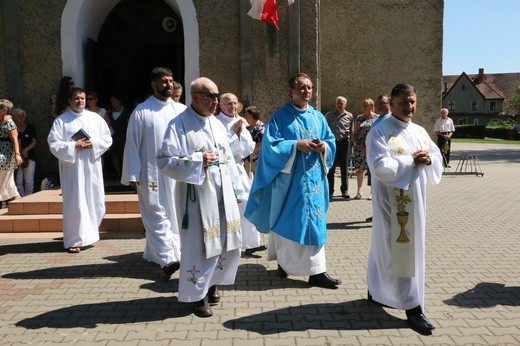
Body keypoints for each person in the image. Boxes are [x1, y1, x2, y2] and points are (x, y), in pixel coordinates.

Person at [244, 73, 341, 289]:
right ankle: (285, 264)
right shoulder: (280, 117)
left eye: (309, 87)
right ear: (291, 91)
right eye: (301, 87)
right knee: (288, 220)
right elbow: (271, 147)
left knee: (314, 222)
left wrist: (323, 147)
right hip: (290, 181)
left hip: (314, 179)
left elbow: (330, 141)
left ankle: (317, 271)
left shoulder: (319, 118)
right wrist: (295, 145)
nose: (306, 91)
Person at [157, 77, 244, 318]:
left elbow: (229, 159)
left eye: (217, 96)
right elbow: (164, 160)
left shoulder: (216, 124)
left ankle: (213, 284)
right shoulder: (178, 125)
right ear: (195, 97)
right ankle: (197, 297)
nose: (216, 102)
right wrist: (196, 161)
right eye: (211, 97)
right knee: (200, 246)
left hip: (222, 195)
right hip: (196, 198)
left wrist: (236, 190)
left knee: (225, 241)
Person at [365, 83, 442, 335]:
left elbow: (435, 154)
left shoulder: (419, 131)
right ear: (392, 104)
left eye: (412, 102)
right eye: (403, 102)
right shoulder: (380, 131)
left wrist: (429, 159)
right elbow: (379, 165)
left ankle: (377, 290)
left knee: (392, 248)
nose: (409, 107)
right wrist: (411, 160)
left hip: (415, 200)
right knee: (395, 248)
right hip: (391, 202)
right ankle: (413, 308)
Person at [121, 67, 186, 276]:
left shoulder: (180, 110)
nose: (168, 84)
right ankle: (167, 259)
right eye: (164, 81)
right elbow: (132, 143)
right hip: (151, 175)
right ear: (154, 84)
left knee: (175, 214)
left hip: (176, 174)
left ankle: (157, 252)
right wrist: (132, 173)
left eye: (170, 80)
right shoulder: (142, 111)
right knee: (156, 214)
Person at [47, 87, 112, 253]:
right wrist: (73, 145)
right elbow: (53, 143)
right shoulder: (61, 121)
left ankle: (89, 234)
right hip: (72, 169)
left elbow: (107, 138)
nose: (80, 101)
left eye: (82, 98)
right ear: (70, 101)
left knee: (95, 201)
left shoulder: (95, 119)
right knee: (75, 203)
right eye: (76, 98)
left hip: (91, 166)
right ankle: (73, 240)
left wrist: (94, 143)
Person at [215, 93, 266, 257]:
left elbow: (248, 148)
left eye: (235, 104)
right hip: (224, 169)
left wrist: (238, 133)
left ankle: (251, 243)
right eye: (228, 103)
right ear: (221, 105)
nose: (232, 107)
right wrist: (232, 133)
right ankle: (229, 243)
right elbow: (220, 148)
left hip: (238, 168)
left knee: (246, 204)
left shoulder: (240, 122)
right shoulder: (215, 122)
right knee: (228, 207)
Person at [325, 96, 354, 200]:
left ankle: (344, 190)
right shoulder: (329, 115)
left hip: (344, 143)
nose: (339, 105)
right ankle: (330, 191)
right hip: (332, 143)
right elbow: (325, 129)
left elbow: (351, 130)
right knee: (331, 167)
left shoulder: (349, 116)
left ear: (345, 105)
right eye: (337, 103)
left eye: (341, 103)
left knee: (344, 168)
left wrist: (351, 141)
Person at [352, 98, 378, 200]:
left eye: (365, 105)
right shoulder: (359, 118)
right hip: (360, 148)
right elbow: (355, 133)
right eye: (363, 105)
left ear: (371, 107)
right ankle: (359, 191)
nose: (363, 107)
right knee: (360, 169)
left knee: (372, 170)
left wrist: (370, 147)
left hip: (372, 148)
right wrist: (358, 145)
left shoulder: (377, 118)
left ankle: (372, 192)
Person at [0, 99, 23, 208]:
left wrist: (17, 155)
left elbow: (15, 139)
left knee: (4, 179)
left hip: (6, 154)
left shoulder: (10, 123)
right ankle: (17, 201)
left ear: (5, 110)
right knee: (8, 183)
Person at [104, 94, 132, 179]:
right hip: (113, 136)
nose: (112, 103)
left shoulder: (126, 112)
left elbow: (129, 124)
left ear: (119, 101)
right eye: (111, 101)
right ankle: (118, 172)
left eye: (114, 101)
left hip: (123, 136)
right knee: (114, 154)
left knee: (123, 154)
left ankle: (125, 172)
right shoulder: (109, 112)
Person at [12, 108, 37, 197]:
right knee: (18, 180)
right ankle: (21, 199)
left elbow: (34, 141)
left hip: (29, 156)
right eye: (19, 116)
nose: (21, 118)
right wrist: (18, 153)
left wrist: (25, 150)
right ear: (14, 117)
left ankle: (28, 198)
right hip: (16, 157)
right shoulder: (12, 128)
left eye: (23, 116)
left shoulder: (30, 127)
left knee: (29, 180)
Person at [244, 105, 264, 173]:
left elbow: (260, 144)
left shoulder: (261, 128)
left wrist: (249, 155)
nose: (245, 118)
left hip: (257, 160)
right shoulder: (247, 128)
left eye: (246, 116)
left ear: (251, 116)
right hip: (248, 160)